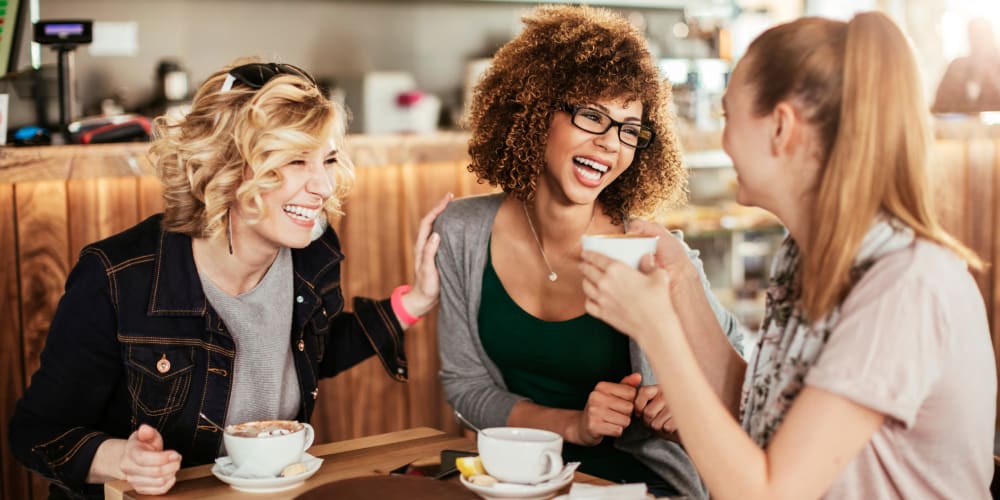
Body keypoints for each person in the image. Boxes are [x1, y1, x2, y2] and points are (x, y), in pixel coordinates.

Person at [582, 11, 996, 499]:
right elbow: (759, 412)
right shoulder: (804, 256)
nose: (723, 140)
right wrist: (682, 285)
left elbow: (769, 493)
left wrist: (657, 329)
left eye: (728, 115)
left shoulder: (904, 285)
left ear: (780, 127)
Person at [9, 60, 451, 499]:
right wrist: (121, 459)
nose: (324, 186)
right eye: (296, 160)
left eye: (329, 159)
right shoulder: (117, 277)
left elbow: (310, 349)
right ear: (226, 167)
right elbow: (37, 433)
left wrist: (416, 300)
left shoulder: (313, 253)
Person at [433, 6, 744, 498]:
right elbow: (467, 388)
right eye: (592, 115)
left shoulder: (653, 252)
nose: (608, 144)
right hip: (516, 484)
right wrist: (574, 424)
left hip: (641, 486)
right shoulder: (461, 233)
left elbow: (740, 383)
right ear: (534, 109)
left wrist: (683, 407)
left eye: (627, 129)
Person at [933, 17, 1000, 113]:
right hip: (959, 126)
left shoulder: (997, 67)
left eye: (983, 35)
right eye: (975, 36)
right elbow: (939, 106)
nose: (979, 42)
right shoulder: (956, 67)